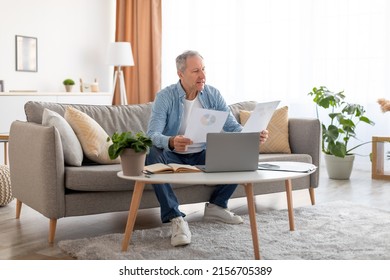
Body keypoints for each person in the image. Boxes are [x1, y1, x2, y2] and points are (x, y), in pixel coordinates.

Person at [146, 50, 269, 247]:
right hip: (172, 155)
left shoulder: (213, 94)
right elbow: (152, 135)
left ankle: (217, 206)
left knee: (237, 150)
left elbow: (232, 127)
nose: (202, 75)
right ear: (181, 74)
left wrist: (251, 135)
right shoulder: (165, 97)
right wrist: (170, 141)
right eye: (195, 71)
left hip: (201, 153)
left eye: (203, 69)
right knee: (152, 154)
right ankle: (176, 219)